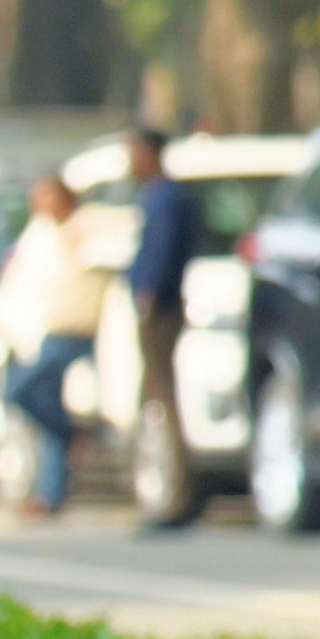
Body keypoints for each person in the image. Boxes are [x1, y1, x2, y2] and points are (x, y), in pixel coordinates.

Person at [0, 176, 105, 518]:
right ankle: (51, 493)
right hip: (45, 330)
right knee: (45, 407)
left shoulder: (87, 226)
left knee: (20, 391)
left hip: (76, 331)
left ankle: (72, 435)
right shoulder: (41, 233)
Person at [125, 127, 201, 530]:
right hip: (158, 307)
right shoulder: (157, 195)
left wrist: (149, 294)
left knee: (163, 403)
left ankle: (177, 496)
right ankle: (160, 490)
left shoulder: (166, 197)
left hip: (160, 311)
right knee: (153, 400)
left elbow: (162, 251)